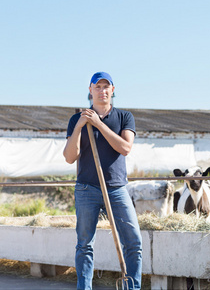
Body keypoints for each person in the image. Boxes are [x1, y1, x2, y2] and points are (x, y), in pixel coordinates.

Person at [63, 72, 142, 290]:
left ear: (112, 90)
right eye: (97, 87)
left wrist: (98, 124)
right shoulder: (75, 120)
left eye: (106, 87)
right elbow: (70, 157)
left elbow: (125, 148)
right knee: (84, 245)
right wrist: (80, 125)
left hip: (116, 188)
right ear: (90, 90)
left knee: (134, 242)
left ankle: (132, 287)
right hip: (86, 188)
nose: (102, 91)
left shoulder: (125, 117)